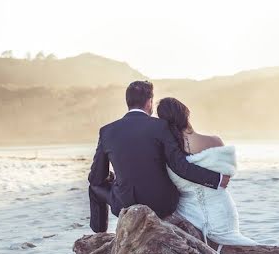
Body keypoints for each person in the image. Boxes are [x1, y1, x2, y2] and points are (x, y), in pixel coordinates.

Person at [157, 97, 279, 254]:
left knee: (227, 248)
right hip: (216, 206)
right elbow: (228, 173)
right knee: (230, 249)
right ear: (186, 115)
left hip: (189, 211)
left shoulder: (167, 152)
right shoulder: (213, 141)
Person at [87, 81, 231, 233]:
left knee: (94, 187)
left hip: (125, 204)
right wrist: (217, 179)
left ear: (127, 102)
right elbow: (180, 166)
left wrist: (114, 179)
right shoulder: (160, 126)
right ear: (149, 102)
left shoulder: (107, 131)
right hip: (161, 205)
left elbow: (96, 178)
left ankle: (99, 235)